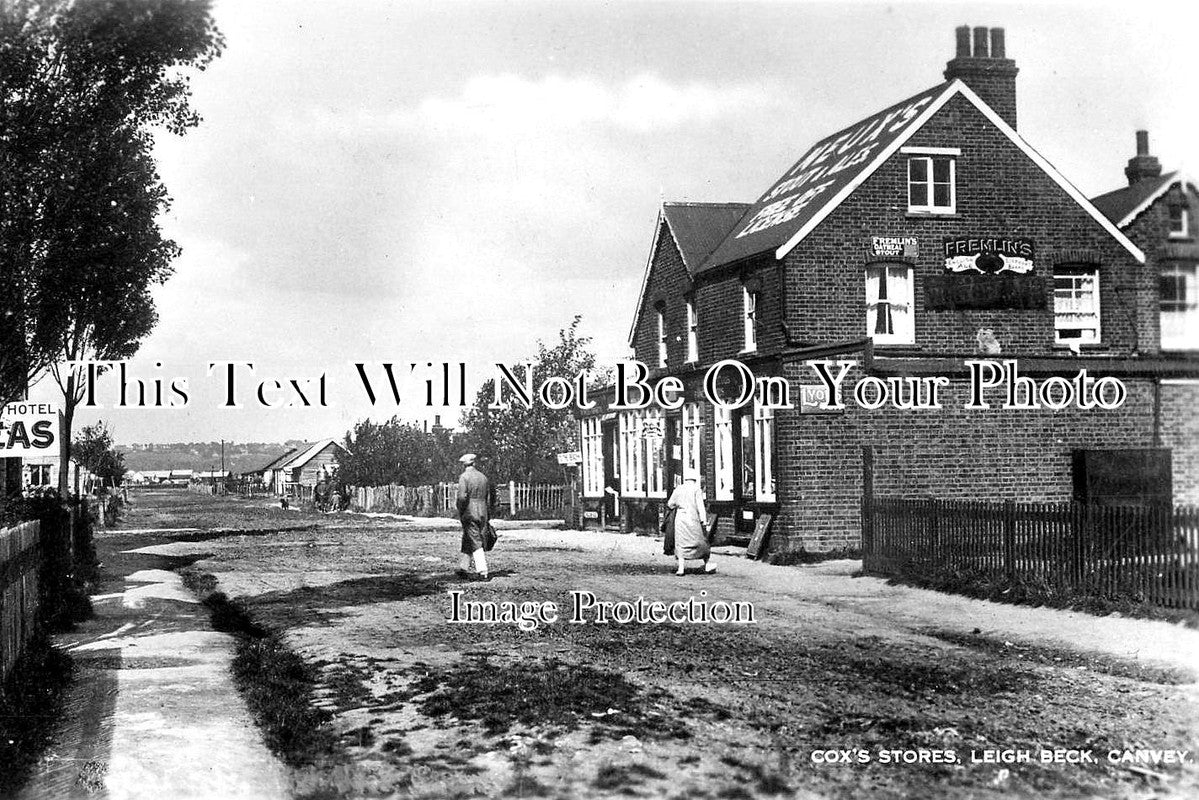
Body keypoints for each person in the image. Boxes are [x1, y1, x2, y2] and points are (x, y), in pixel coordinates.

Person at [666, 475, 715, 576]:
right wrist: (704, 521)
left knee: (681, 542)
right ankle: (706, 564)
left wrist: (678, 505)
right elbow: (700, 506)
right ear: (695, 480)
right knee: (700, 541)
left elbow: (670, 504)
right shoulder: (696, 489)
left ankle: (681, 568)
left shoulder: (679, 489)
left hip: (681, 519)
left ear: (685, 479)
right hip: (693, 519)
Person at [455, 453, 491, 580]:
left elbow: (461, 497)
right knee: (469, 537)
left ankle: (483, 570)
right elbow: (489, 497)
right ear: (474, 463)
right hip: (483, 510)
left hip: (470, 511)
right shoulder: (483, 477)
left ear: (463, 465)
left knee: (475, 539)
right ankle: (463, 567)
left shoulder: (464, 477)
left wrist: (460, 508)